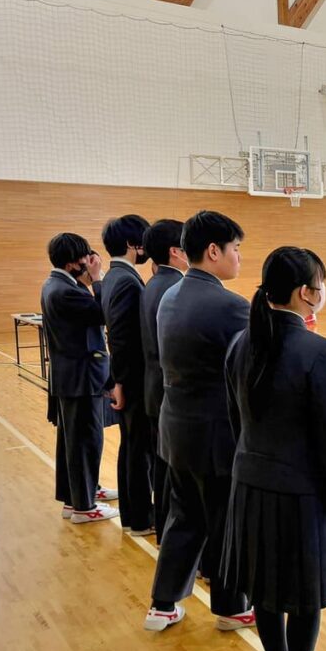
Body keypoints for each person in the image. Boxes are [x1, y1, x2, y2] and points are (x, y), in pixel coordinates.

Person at [223, 246, 326, 651]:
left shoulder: (241, 343)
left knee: (265, 585)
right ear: (306, 293)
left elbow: (235, 420)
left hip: (250, 485)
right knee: (302, 591)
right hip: (300, 493)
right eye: (322, 282)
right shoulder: (319, 351)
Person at [143, 210, 254, 632]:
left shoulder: (170, 294)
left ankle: (163, 603)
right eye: (236, 249)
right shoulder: (228, 304)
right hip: (215, 434)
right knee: (225, 519)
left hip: (176, 429)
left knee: (184, 516)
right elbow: (257, 360)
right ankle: (230, 607)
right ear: (213, 251)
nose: (239, 258)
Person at [40, 233, 120, 525]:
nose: (90, 262)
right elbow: (104, 314)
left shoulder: (56, 284)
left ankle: (76, 497)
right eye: (87, 258)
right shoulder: (67, 291)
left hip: (70, 376)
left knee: (73, 442)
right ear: (74, 262)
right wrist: (98, 279)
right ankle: (84, 507)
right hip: (81, 378)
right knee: (86, 441)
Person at [100, 214, 154, 536]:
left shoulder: (113, 276)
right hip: (133, 379)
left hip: (128, 377)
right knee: (138, 449)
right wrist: (118, 382)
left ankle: (135, 514)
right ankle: (139, 517)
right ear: (134, 245)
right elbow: (119, 337)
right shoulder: (126, 280)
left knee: (132, 446)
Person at [140, 219, 187, 545]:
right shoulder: (173, 289)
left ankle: (164, 529)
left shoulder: (153, 284)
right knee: (174, 471)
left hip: (154, 388)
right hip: (170, 392)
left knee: (162, 464)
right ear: (174, 251)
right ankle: (172, 535)